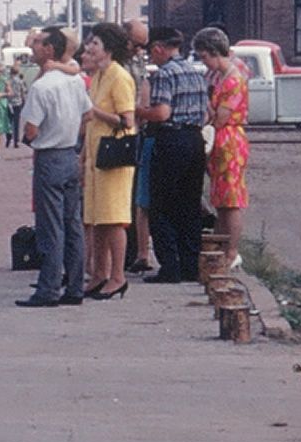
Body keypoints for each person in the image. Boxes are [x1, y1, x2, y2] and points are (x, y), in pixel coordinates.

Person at [15, 27, 92, 307]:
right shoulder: (74, 81)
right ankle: (75, 286)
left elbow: (32, 129)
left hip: (49, 156)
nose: (32, 48)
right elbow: (89, 113)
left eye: (37, 43)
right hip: (70, 153)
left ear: (49, 49)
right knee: (72, 223)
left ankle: (48, 289)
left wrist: (30, 138)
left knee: (50, 226)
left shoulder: (42, 87)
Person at [139, 26, 210, 284]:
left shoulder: (164, 74)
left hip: (171, 140)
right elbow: (206, 114)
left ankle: (170, 266)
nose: (151, 58)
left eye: (151, 53)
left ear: (159, 48)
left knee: (162, 205)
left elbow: (161, 113)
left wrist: (140, 112)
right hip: (194, 139)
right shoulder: (195, 73)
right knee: (189, 205)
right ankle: (190, 265)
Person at [78, 22, 138, 299]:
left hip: (114, 157)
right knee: (97, 218)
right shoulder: (99, 76)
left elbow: (126, 120)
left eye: (95, 44)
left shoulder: (119, 77)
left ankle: (118, 275)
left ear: (108, 49)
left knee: (114, 218)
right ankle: (99, 272)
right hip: (95, 156)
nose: (89, 48)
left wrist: (96, 112)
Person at [195, 27, 250, 246]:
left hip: (230, 140)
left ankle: (231, 251)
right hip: (222, 139)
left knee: (231, 199)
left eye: (205, 57)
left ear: (214, 52)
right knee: (221, 199)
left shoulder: (232, 80)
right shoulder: (221, 77)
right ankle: (220, 246)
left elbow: (220, 117)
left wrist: (207, 103)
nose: (205, 62)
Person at [124, 19, 156, 274]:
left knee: (138, 193)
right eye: (137, 45)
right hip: (123, 132)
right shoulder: (117, 63)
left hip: (139, 130)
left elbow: (143, 91)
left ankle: (139, 250)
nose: (140, 50)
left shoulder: (138, 62)